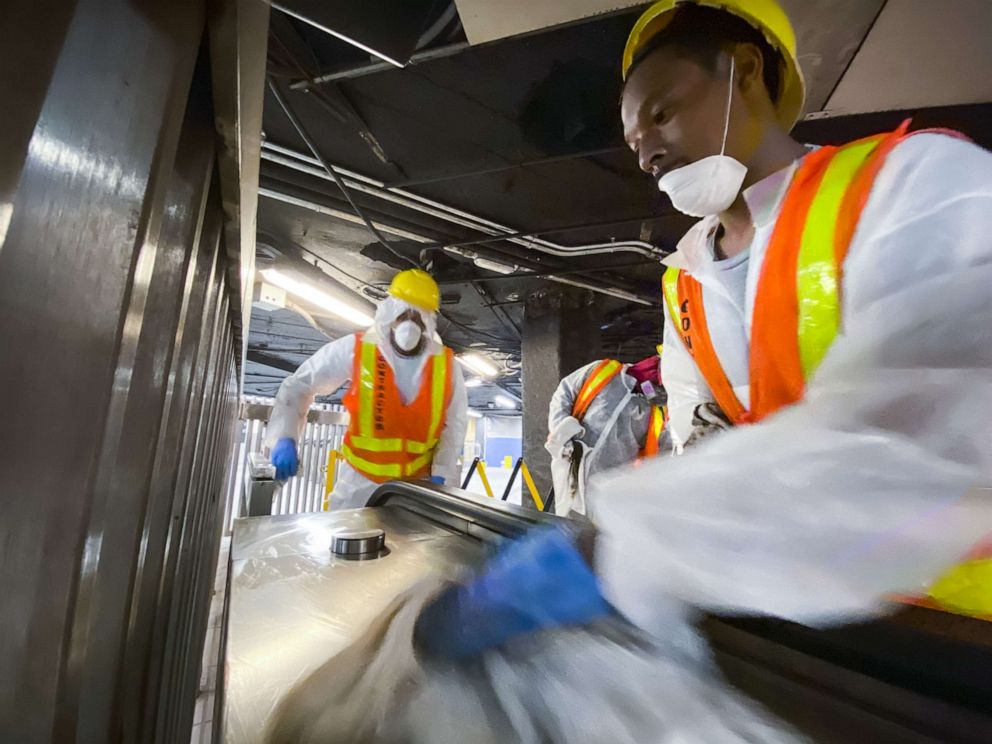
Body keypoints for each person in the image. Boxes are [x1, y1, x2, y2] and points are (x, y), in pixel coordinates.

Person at [415, 0, 992, 658]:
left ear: (743, 72)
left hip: (963, 637)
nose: (646, 153)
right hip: (807, 634)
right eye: (634, 143)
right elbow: (703, 447)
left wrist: (619, 549)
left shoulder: (915, 185)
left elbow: (911, 447)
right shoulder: (686, 280)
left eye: (660, 113)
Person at [265, 269, 468, 511]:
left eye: (418, 315)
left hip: (417, 490)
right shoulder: (359, 349)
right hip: (358, 486)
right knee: (346, 545)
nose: (410, 323)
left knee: (416, 549)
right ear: (391, 312)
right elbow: (300, 384)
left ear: (428, 321)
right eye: (403, 314)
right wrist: (285, 436)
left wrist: (443, 474)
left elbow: (454, 425)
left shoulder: (445, 365)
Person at [546, 354, 667, 516]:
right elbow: (564, 392)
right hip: (572, 461)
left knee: (595, 532)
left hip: (611, 486)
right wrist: (561, 430)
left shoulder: (654, 411)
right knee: (566, 518)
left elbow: (663, 448)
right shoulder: (602, 370)